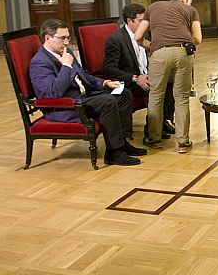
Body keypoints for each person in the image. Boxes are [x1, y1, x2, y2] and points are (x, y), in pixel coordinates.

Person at [29, 19, 146, 166]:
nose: (66, 42)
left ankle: (121, 143)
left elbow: (82, 76)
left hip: (84, 96)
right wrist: (66, 65)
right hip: (66, 106)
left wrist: (104, 82)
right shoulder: (39, 62)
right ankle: (114, 153)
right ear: (48, 38)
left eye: (68, 38)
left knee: (124, 94)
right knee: (108, 102)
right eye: (62, 38)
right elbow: (53, 93)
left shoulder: (66, 52)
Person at [134, 0, 202, 153]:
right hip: (184, 53)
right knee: (181, 97)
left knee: (156, 95)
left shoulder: (153, 7)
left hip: (159, 53)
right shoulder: (190, 10)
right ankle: (183, 142)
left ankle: (154, 139)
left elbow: (137, 36)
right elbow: (198, 39)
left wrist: (151, 47)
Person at [102, 3, 176, 143]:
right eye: (141, 21)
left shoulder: (147, 35)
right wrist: (136, 78)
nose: (145, 24)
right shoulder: (116, 40)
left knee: (170, 80)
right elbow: (108, 69)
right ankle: (152, 131)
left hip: (148, 76)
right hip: (130, 81)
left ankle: (161, 123)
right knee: (160, 87)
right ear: (129, 21)